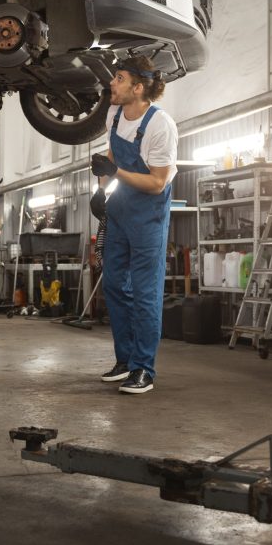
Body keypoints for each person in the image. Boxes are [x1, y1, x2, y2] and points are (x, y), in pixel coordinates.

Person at [91, 55, 178, 394]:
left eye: (119, 78)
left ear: (138, 88)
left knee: (145, 293)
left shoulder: (160, 125)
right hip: (120, 209)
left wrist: (116, 174)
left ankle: (144, 368)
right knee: (114, 285)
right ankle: (125, 360)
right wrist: (102, 189)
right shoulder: (114, 113)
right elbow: (112, 156)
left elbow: (157, 182)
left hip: (148, 214)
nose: (111, 83)